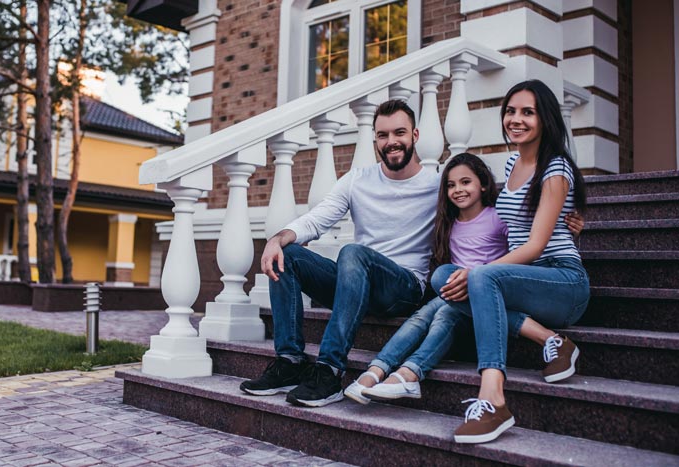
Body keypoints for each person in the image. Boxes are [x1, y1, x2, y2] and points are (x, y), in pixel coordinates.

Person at [239, 99, 441, 407]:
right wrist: (276, 239)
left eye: (399, 133)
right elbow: (316, 220)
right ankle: (290, 362)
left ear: (415, 135)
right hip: (356, 284)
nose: (391, 142)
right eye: (383, 135)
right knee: (289, 254)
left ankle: (330, 370)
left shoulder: (437, 185)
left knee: (353, 253)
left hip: (403, 288)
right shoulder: (358, 180)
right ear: (375, 139)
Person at [343, 154, 583, 404]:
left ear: (482, 184)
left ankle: (406, 373)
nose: (458, 190)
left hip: (487, 294)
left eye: (466, 182)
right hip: (458, 295)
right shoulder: (447, 224)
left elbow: (533, 236)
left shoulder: (498, 216)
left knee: (444, 306)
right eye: (451, 185)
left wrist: (571, 223)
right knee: (428, 308)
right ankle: (378, 370)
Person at [453, 79, 590, 444]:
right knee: (443, 280)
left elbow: (536, 244)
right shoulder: (513, 161)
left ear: (544, 118)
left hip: (562, 280)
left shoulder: (556, 169)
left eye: (527, 112)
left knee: (479, 280)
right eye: (511, 111)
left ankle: (493, 397)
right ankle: (550, 339)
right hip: (525, 278)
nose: (516, 119)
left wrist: (482, 271)